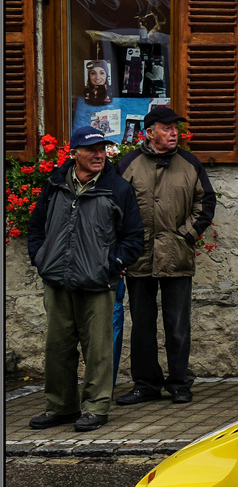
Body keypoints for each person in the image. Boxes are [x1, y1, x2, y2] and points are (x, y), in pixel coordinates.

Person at [25, 127, 144, 432]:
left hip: (97, 281)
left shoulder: (117, 188)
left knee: (98, 349)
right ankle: (61, 406)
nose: (99, 155)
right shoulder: (54, 184)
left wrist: (112, 263)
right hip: (57, 279)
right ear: (74, 153)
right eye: (91, 150)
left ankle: (95, 408)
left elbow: (133, 238)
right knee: (58, 347)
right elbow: (36, 226)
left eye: (102, 149)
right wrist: (41, 258)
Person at [115, 105, 216, 405]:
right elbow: (115, 206)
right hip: (139, 256)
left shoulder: (189, 162)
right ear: (150, 132)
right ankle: (145, 384)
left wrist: (187, 234)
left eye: (176, 128)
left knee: (177, 325)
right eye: (167, 128)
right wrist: (124, 246)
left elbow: (205, 202)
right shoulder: (129, 163)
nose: (174, 133)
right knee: (142, 326)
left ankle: (179, 383)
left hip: (176, 254)